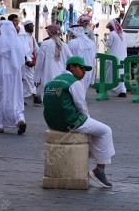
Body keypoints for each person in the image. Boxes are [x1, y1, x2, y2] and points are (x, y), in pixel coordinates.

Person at [43, 56, 115, 188]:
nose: (84, 72)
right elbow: (82, 106)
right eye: (82, 68)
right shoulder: (73, 82)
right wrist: (87, 120)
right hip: (71, 122)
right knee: (105, 131)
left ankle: (85, 158)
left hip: (52, 123)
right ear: (72, 67)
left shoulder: (52, 81)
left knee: (93, 130)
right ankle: (99, 171)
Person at [0, 20, 27, 134]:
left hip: (2, 75)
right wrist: (23, 75)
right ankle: (20, 118)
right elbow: (22, 61)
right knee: (17, 97)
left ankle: (0, 125)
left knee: (1, 98)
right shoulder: (19, 42)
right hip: (16, 75)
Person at [34, 24, 72, 99]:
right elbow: (70, 59)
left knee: (48, 99)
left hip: (48, 76)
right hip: (62, 77)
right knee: (59, 98)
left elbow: (39, 62)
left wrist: (36, 78)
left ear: (50, 32)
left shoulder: (45, 44)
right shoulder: (64, 45)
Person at [68, 25, 97, 98]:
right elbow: (94, 60)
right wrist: (92, 78)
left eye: (71, 32)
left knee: (75, 94)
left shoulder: (72, 42)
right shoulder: (91, 43)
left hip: (75, 71)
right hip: (88, 71)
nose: (70, 34)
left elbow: (68, 58)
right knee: (81, 93)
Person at [19, 20, 42, 106]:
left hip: (31, 62)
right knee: (29, 80)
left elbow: (36, 50)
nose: (32, 27)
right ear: (25, 27)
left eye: (32, 25)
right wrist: (27, 60)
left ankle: (21, 98)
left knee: (27, 81)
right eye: (30, 26)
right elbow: (23, 50)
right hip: (25, 62)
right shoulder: (22, 37)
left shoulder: (32, 38)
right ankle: (35, 96)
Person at [105, 19, 127, 97]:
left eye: (110, 28)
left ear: (112, 27)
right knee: (121, 74)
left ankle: (105, 87)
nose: (109, 29)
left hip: (113, 57)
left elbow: (108, 45)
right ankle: (122, 90)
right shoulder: (124, 34)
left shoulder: (112, 34)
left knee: (109, 73)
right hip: (123, 58)